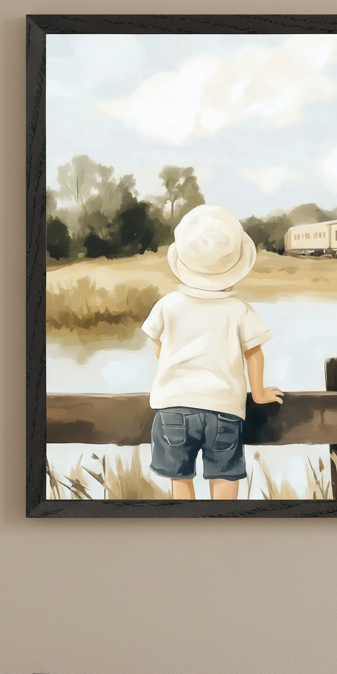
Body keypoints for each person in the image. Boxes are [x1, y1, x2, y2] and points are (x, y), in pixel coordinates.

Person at [141, 205, 283, 500]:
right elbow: (254, 354)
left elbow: (157, 344)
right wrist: (257, 394)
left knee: (180, 479)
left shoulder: (168, 304)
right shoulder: (239, 309)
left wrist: (173, 363)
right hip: (224, 409)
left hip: (173, 408)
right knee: (224, 476)